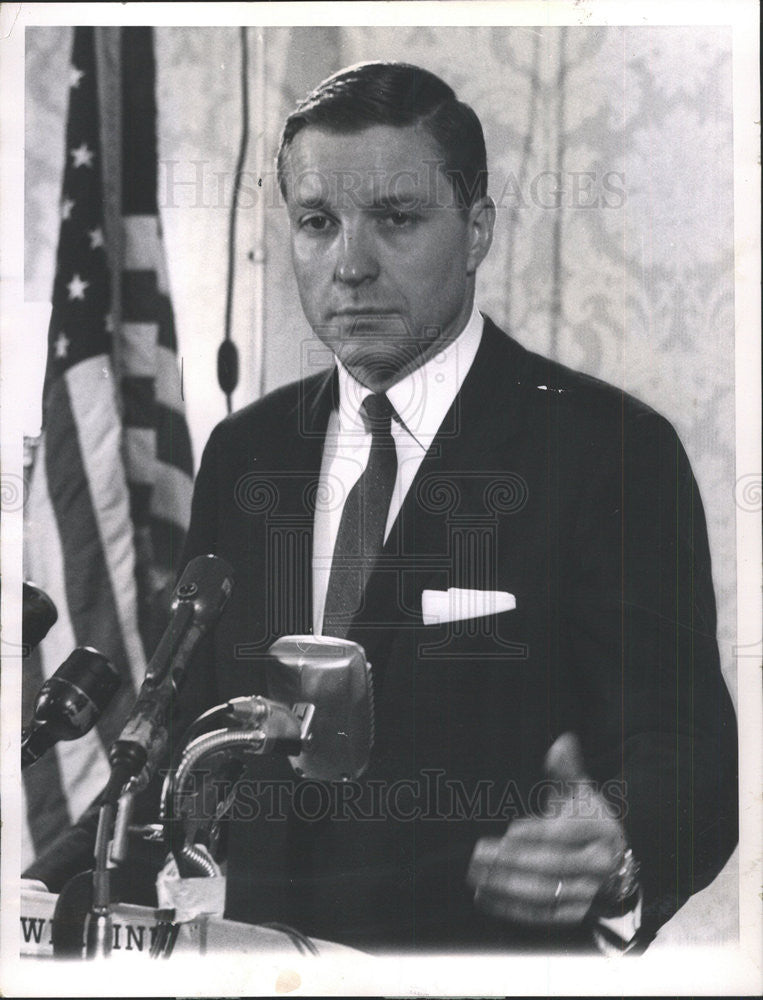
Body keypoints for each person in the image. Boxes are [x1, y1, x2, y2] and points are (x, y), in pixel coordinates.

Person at [26, 61, 738, 953]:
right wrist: (38, 888)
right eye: (317, 224)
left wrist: (623, 846)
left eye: (396, 220)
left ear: (476, 230)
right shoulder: (246, 452)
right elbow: (181, 738)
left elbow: (686, 746)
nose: (350, 265)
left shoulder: (609, 451)